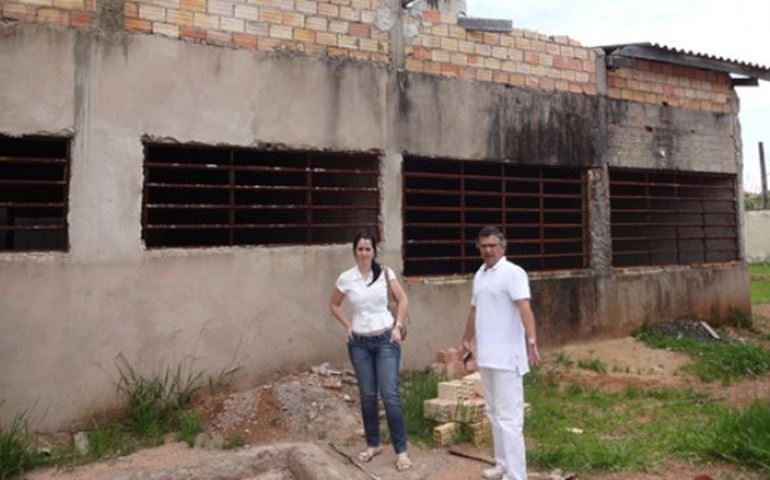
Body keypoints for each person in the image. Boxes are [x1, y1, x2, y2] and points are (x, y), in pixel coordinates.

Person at [461, 226, 540, 480]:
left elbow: (524, 307)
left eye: (492, 246)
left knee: (509, 419)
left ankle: (516, 475)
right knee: (494, 414)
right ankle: (502, 464)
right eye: (483, 246)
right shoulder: (480, 275)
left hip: (508, 358)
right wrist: (466, 338)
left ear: (502, 247)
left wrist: (531, 339)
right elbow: (474, 310)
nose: (488, 250)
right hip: (487, 357)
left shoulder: (513, 273)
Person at [329, 232, 412, 472]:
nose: (364, 253)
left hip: (386, 339)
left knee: (390, 394)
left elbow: (402, 299)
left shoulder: (385, 273)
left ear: (374, 251)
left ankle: (401, 450)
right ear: (354, 251)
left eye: (368, 249)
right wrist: (347, 325)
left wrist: (398, 325)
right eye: (360, 249)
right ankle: (373, 444)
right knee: (367, 396)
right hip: (359, 344)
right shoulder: (347, 278)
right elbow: (334, 304)